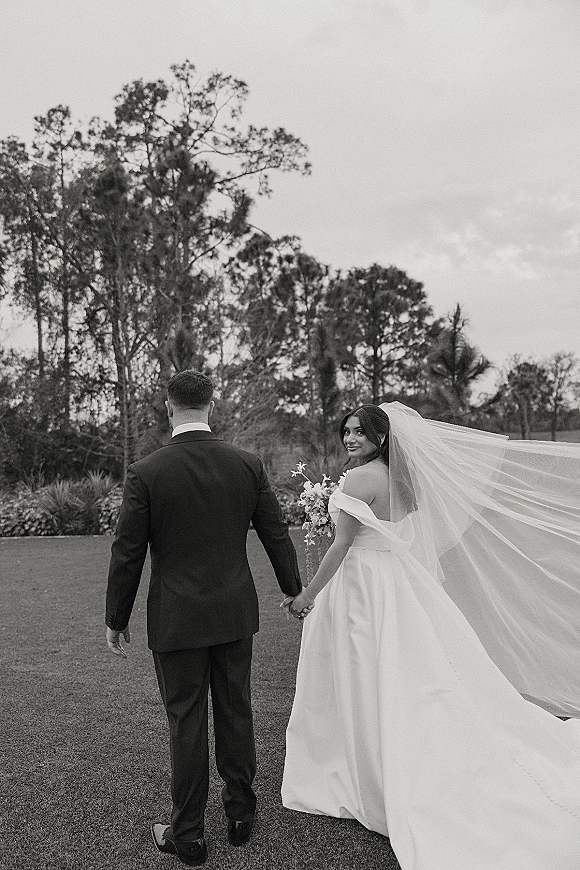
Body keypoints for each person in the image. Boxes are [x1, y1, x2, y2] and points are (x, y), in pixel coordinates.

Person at [282, 403, 580, 870]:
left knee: (362, 672)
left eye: (360, 432)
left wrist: (306, 596)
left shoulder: (358, 480)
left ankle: (363, 768)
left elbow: (342, 544)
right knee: (404, 670)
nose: (350, 439)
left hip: (362, 586)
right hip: (396, 581)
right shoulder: (403, 480)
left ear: (382, 437)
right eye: (347, 431)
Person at [105, 369, 302, 867]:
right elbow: (275, 534)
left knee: (186, 719)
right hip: (234, 612)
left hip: (176, 618)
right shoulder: (246, 465)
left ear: (168, 408)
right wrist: (294, 590)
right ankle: (241, 815)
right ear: (211, 406)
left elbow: (127, 552)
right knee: (235, 707)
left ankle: (188, 835)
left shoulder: (146, 472)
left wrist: (116, 618)